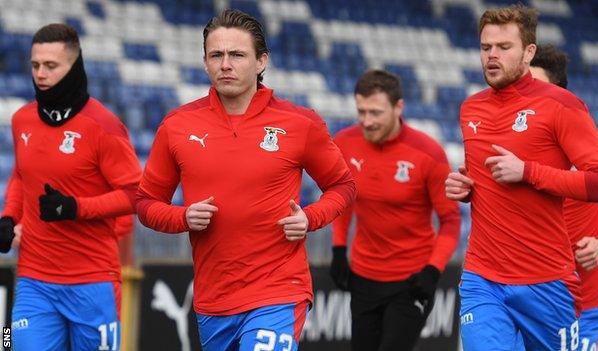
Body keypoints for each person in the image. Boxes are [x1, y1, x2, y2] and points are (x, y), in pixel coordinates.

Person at [135, 9, 356, 351]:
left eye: (237, 55)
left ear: (261, 61)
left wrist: (309, 218)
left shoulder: (300, 123)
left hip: (279, 290)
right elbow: (145, 203)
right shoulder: (177, 126)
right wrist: (183, 217)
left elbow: (343, 185)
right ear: (205, 62)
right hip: (214, 299)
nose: (226, 64)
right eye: (216, 55)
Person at [445, 5, 598, 350]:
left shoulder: (563, 106)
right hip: (483, 277)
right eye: (485, 47)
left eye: (504, 47)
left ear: (529, 52)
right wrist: (466, 189)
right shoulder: (470, 108)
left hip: (546, 281)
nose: (492, 56)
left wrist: (529, 172)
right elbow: (489, 183)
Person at [0, 23, 142, 350]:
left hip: (93, 284)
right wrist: (9, 218)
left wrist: (76, 207)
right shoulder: (22, 119)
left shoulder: (104, 127)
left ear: (73, 66)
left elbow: (137, 194)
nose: (40, 74)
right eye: (35, 65)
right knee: (9, 344)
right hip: (34, 279)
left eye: (51, 66)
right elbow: (22, 175)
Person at [330, 70, 461, 351]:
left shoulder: (429, 153)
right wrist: (339, 250)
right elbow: (343, 201)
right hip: (363, 277)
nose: (367, 121)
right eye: (361, 112)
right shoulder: (344, 142)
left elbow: (450, 220)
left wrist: (432, 270)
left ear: (398, 107)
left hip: (411, 281)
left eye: (375, 113)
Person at [514, 44, 598, 351]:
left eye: (536, 88)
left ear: (562, 95)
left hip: (580, 304)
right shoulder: (508, 150)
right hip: (518, 299)